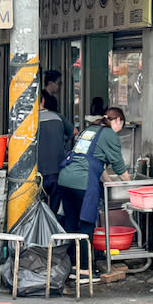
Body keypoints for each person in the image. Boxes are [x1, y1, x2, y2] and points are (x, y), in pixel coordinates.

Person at [57, 107, 131, 279]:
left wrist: (110, 184)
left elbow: (96, 163)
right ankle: (84, 270)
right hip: (82, 182)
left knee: (71, 224)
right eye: (122, 124)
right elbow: (118, 165)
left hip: (66, 178)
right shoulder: (109, 134)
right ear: (118, 120)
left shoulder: (89, 130)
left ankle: (72, 267)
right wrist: (130, 184)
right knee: (86, 224)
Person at [38, 92, 72, 214]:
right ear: (43, 101)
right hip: (57, 170)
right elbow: (75, 131)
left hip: (37, 173)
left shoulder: (27, 122)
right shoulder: (58, 117)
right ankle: (53, 230)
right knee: (54, 209)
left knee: (37, 208)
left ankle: (40, 231)